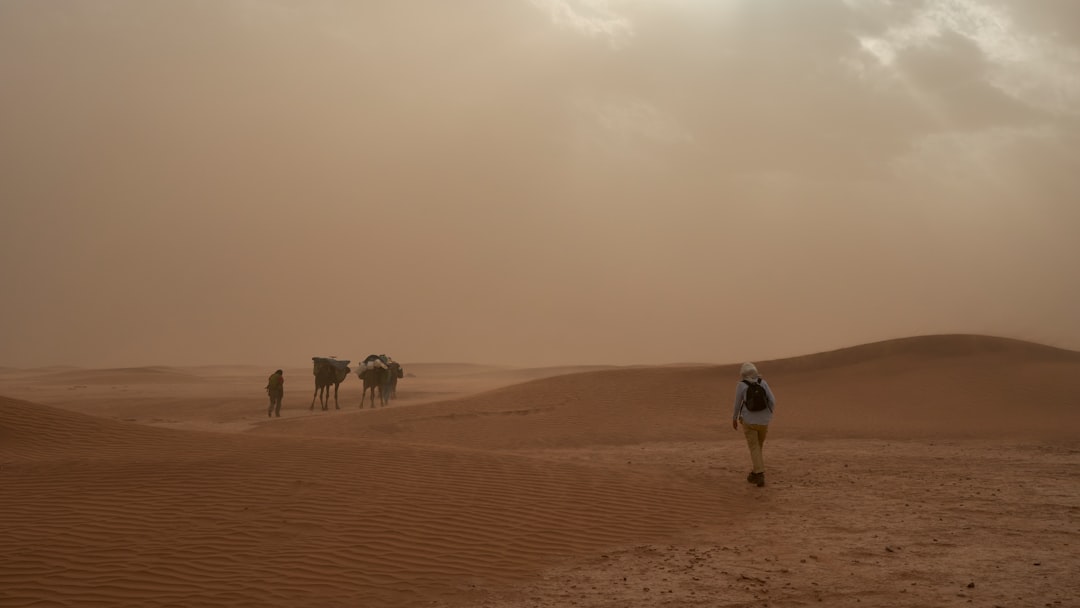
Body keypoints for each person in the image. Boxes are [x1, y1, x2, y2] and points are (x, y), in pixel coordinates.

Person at [732, 362, 776, 487]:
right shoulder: (763, 382)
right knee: (758, 447)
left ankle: (759, 473)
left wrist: (734, 418)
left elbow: (737, 404)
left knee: (754, 447)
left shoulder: (741, 385)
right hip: (764, 422)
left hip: (748, 421)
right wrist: (768, 415)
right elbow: (772, 400)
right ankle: (755, 472)